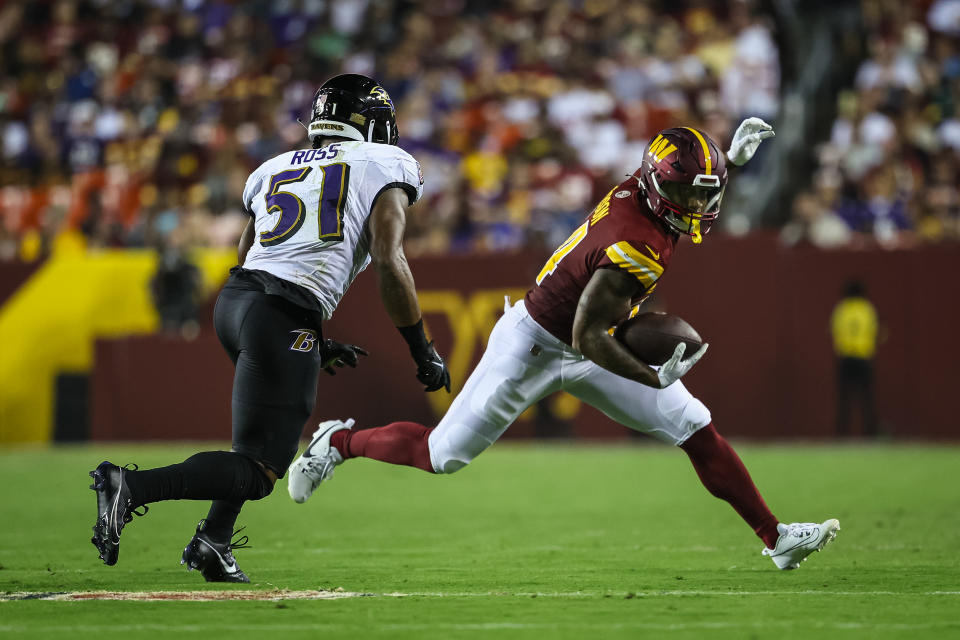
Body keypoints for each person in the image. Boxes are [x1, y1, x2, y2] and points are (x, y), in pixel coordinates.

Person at [288, 119, 841, 571]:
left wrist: (731, 165)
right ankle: (338, 444)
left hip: (594, 334)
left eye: (705, 192)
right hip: (537, 342)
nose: (698, 205)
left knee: (694, 426)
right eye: (689, 192)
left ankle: (777, 538)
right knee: (442, 455)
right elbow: (586, 335)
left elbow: (682, 179)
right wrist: (652, 376)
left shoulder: (647, 188)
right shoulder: (635, 240)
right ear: (658, 186)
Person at [88, 74, 451, 582]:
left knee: (253, 443)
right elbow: (390, 260)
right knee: (261, 472)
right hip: (281, 312)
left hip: (237, 305)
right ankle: (130, 486)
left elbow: (247, 253)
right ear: (370, 124)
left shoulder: (273, 167)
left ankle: (214, 540)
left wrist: (309, 337)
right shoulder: (386, 163)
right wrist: (422, 348)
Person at [830, 279, 880, 437]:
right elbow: (875, 331)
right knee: (867, 398)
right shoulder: (867, 309)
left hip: (845, 358)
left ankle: (842, 434)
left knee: (844, 399)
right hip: (864, 357)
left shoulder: (841, 309)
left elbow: (834, 331)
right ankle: (870, 433)